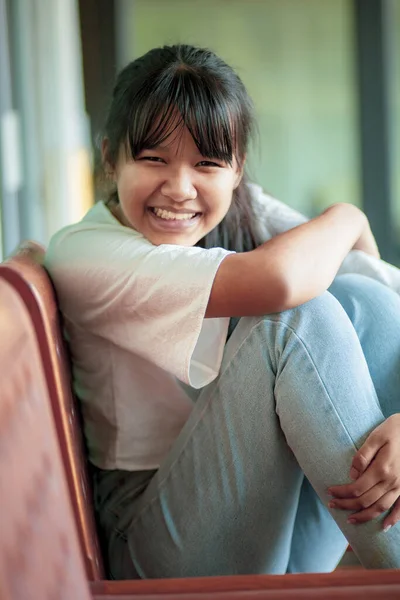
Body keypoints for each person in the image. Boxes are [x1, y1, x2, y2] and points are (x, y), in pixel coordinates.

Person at [45, 44, 400, 579]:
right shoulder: (85, 252)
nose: (180, 189)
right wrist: (348, 215)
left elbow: (386, 295)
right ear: (109, 156)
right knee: (295, 319)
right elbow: (280, 282)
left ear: (236, 172)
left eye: (207, 163)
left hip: (262, 515)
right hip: (151, 541)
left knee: (363, 302)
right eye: (153, 159)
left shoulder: (241, 206)